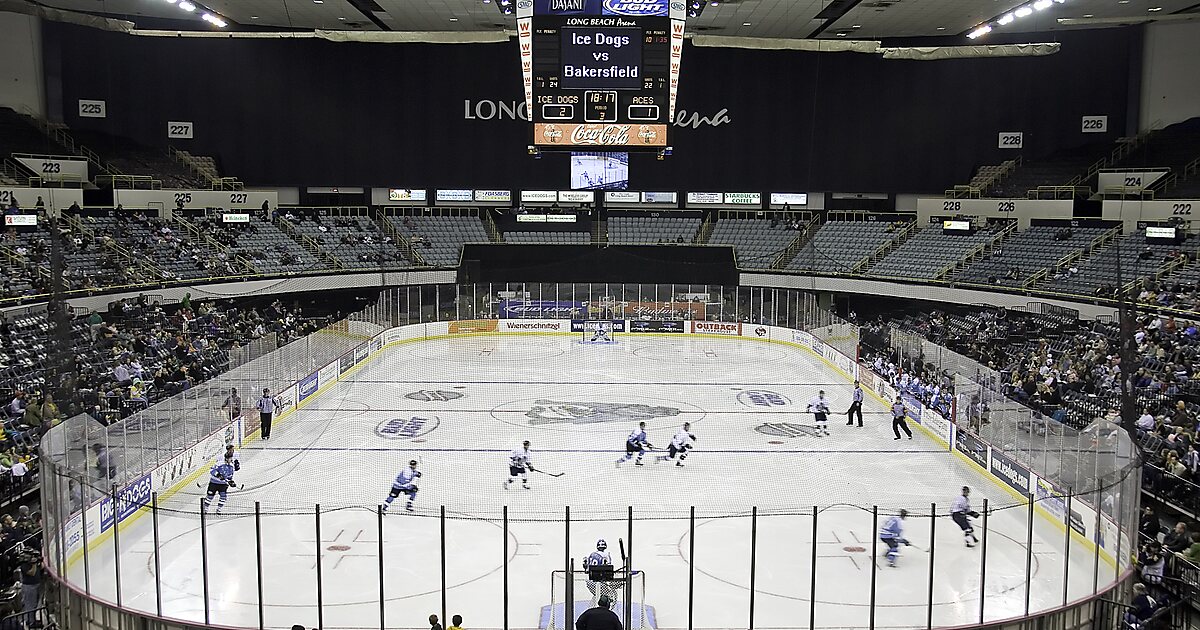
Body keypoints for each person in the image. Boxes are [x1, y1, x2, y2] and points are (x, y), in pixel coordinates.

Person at [583, 539, 616, 604]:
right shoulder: (606, 554)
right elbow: (607, 567)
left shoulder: (592, 554)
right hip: (600, 579)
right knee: (609, 596)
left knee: (598, 597)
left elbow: (587, 569)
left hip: (590, 580)